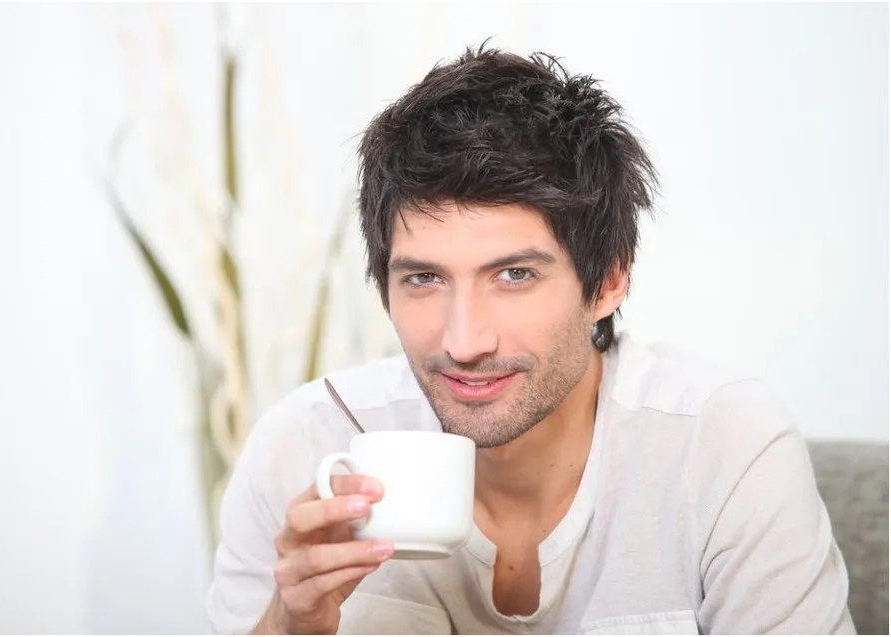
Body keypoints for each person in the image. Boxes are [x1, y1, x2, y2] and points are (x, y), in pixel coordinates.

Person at [205, 44, 854, 635]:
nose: (464, 342)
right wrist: (288, 624)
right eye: (424, 278)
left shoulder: (721, 444)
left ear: (608, 280)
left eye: (514, 275)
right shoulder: (305, 445)